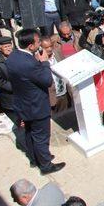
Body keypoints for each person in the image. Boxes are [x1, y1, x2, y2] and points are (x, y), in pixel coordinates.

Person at [6, 29, 65, 174]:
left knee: (29, 133)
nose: (40, 44)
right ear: (31, 46)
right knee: (41, 137)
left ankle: (34, 158)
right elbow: (46, 80)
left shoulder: (13, 57)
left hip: (23, 104)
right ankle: (45, 165)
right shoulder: (30, 63)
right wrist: (44, 63)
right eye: (38, 42)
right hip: (36, 106)